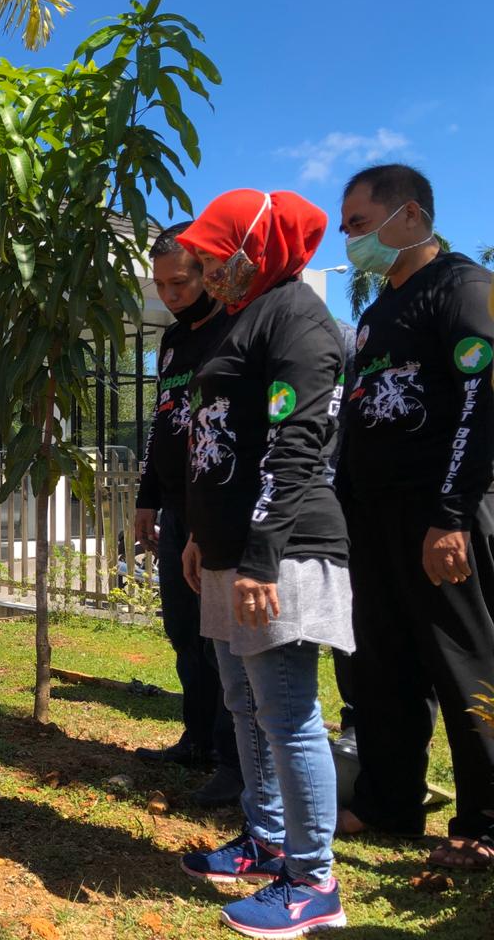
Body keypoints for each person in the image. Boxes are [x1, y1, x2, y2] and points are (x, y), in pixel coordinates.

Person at [177, 190, 351, 938]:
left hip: (280, 551)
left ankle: (313, 883)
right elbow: (216, 438)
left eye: (219, 257)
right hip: (227, 552)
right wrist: (199, 535)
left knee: (287, 715)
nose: (209, 271)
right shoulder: (245, 317)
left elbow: (297, 445)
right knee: (244, 708)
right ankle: (267, 838)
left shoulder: (298, 321)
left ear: (260, 247)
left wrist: (257, 558)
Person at [335, 163, 494, 869]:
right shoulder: (375, 314)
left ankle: (486, 824)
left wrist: (451, 514)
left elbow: (479, 404)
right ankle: (388, 803)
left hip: (439, 518)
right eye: (346, 227)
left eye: (360, 224)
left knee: (465, 665)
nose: (350, 239)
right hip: (374, 521)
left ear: (411, 216)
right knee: (380, 667)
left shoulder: (463, 289)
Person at [132, 222, 243, 808]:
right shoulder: (172, 341)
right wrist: (147, 499)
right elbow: (161, 424)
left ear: (209, 272)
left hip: (219, 508)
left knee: (219, 638)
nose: (170, 294)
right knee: (183, 632)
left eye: (180, 282)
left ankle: (233, 761)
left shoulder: (237, 330)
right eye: (161, 285)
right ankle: (197, 739)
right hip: (174, 510)